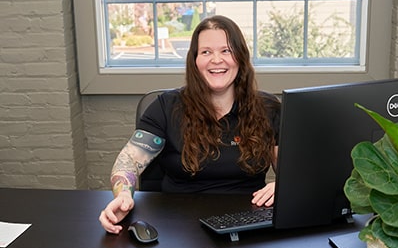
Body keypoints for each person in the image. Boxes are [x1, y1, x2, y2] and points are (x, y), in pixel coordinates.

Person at [99, 15, 281, 234]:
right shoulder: (165, 107)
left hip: (250, 222)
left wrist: (285, 185)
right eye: (206, 52)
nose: (216, 60)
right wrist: (123, 195)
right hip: (178, 227)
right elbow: (128, 162)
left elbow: (291, 170)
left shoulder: (268, 108)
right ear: (194, 60)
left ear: (240, 58)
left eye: (226, 50)